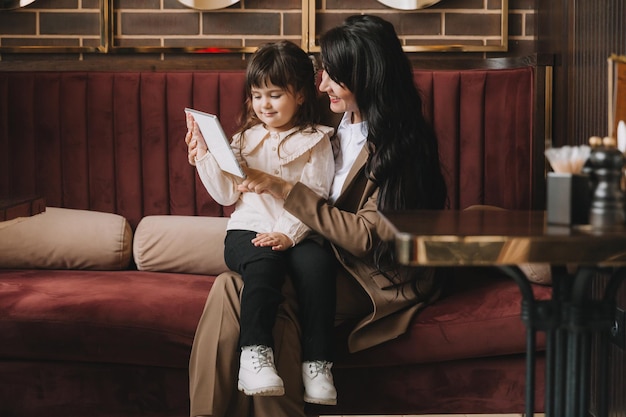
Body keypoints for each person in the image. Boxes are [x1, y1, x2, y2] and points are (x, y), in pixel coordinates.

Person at [187, 14, 448, 417]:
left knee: (277, 307)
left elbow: (367, 237)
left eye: (333, 75)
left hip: (370, 272)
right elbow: (262, 137)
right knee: (227, 286)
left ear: (365, 76)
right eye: (323, 72)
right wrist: (208, 156)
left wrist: (283, 189)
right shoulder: (326, 120)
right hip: (314, 250)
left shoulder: (402, 146)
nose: (321, 83)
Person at [185, 40, 339, 407]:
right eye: (257, 96)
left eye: (274, 95)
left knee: (318, 267)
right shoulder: (242, 140)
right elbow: (225, 193)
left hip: (297, 232)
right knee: (264, 264)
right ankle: (255, 356)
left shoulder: (316, 140)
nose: (264, 105)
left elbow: (316, 192)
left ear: (301, 95)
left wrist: (288, 234)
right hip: (248, 230)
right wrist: (204, 157)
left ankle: (317, 364)